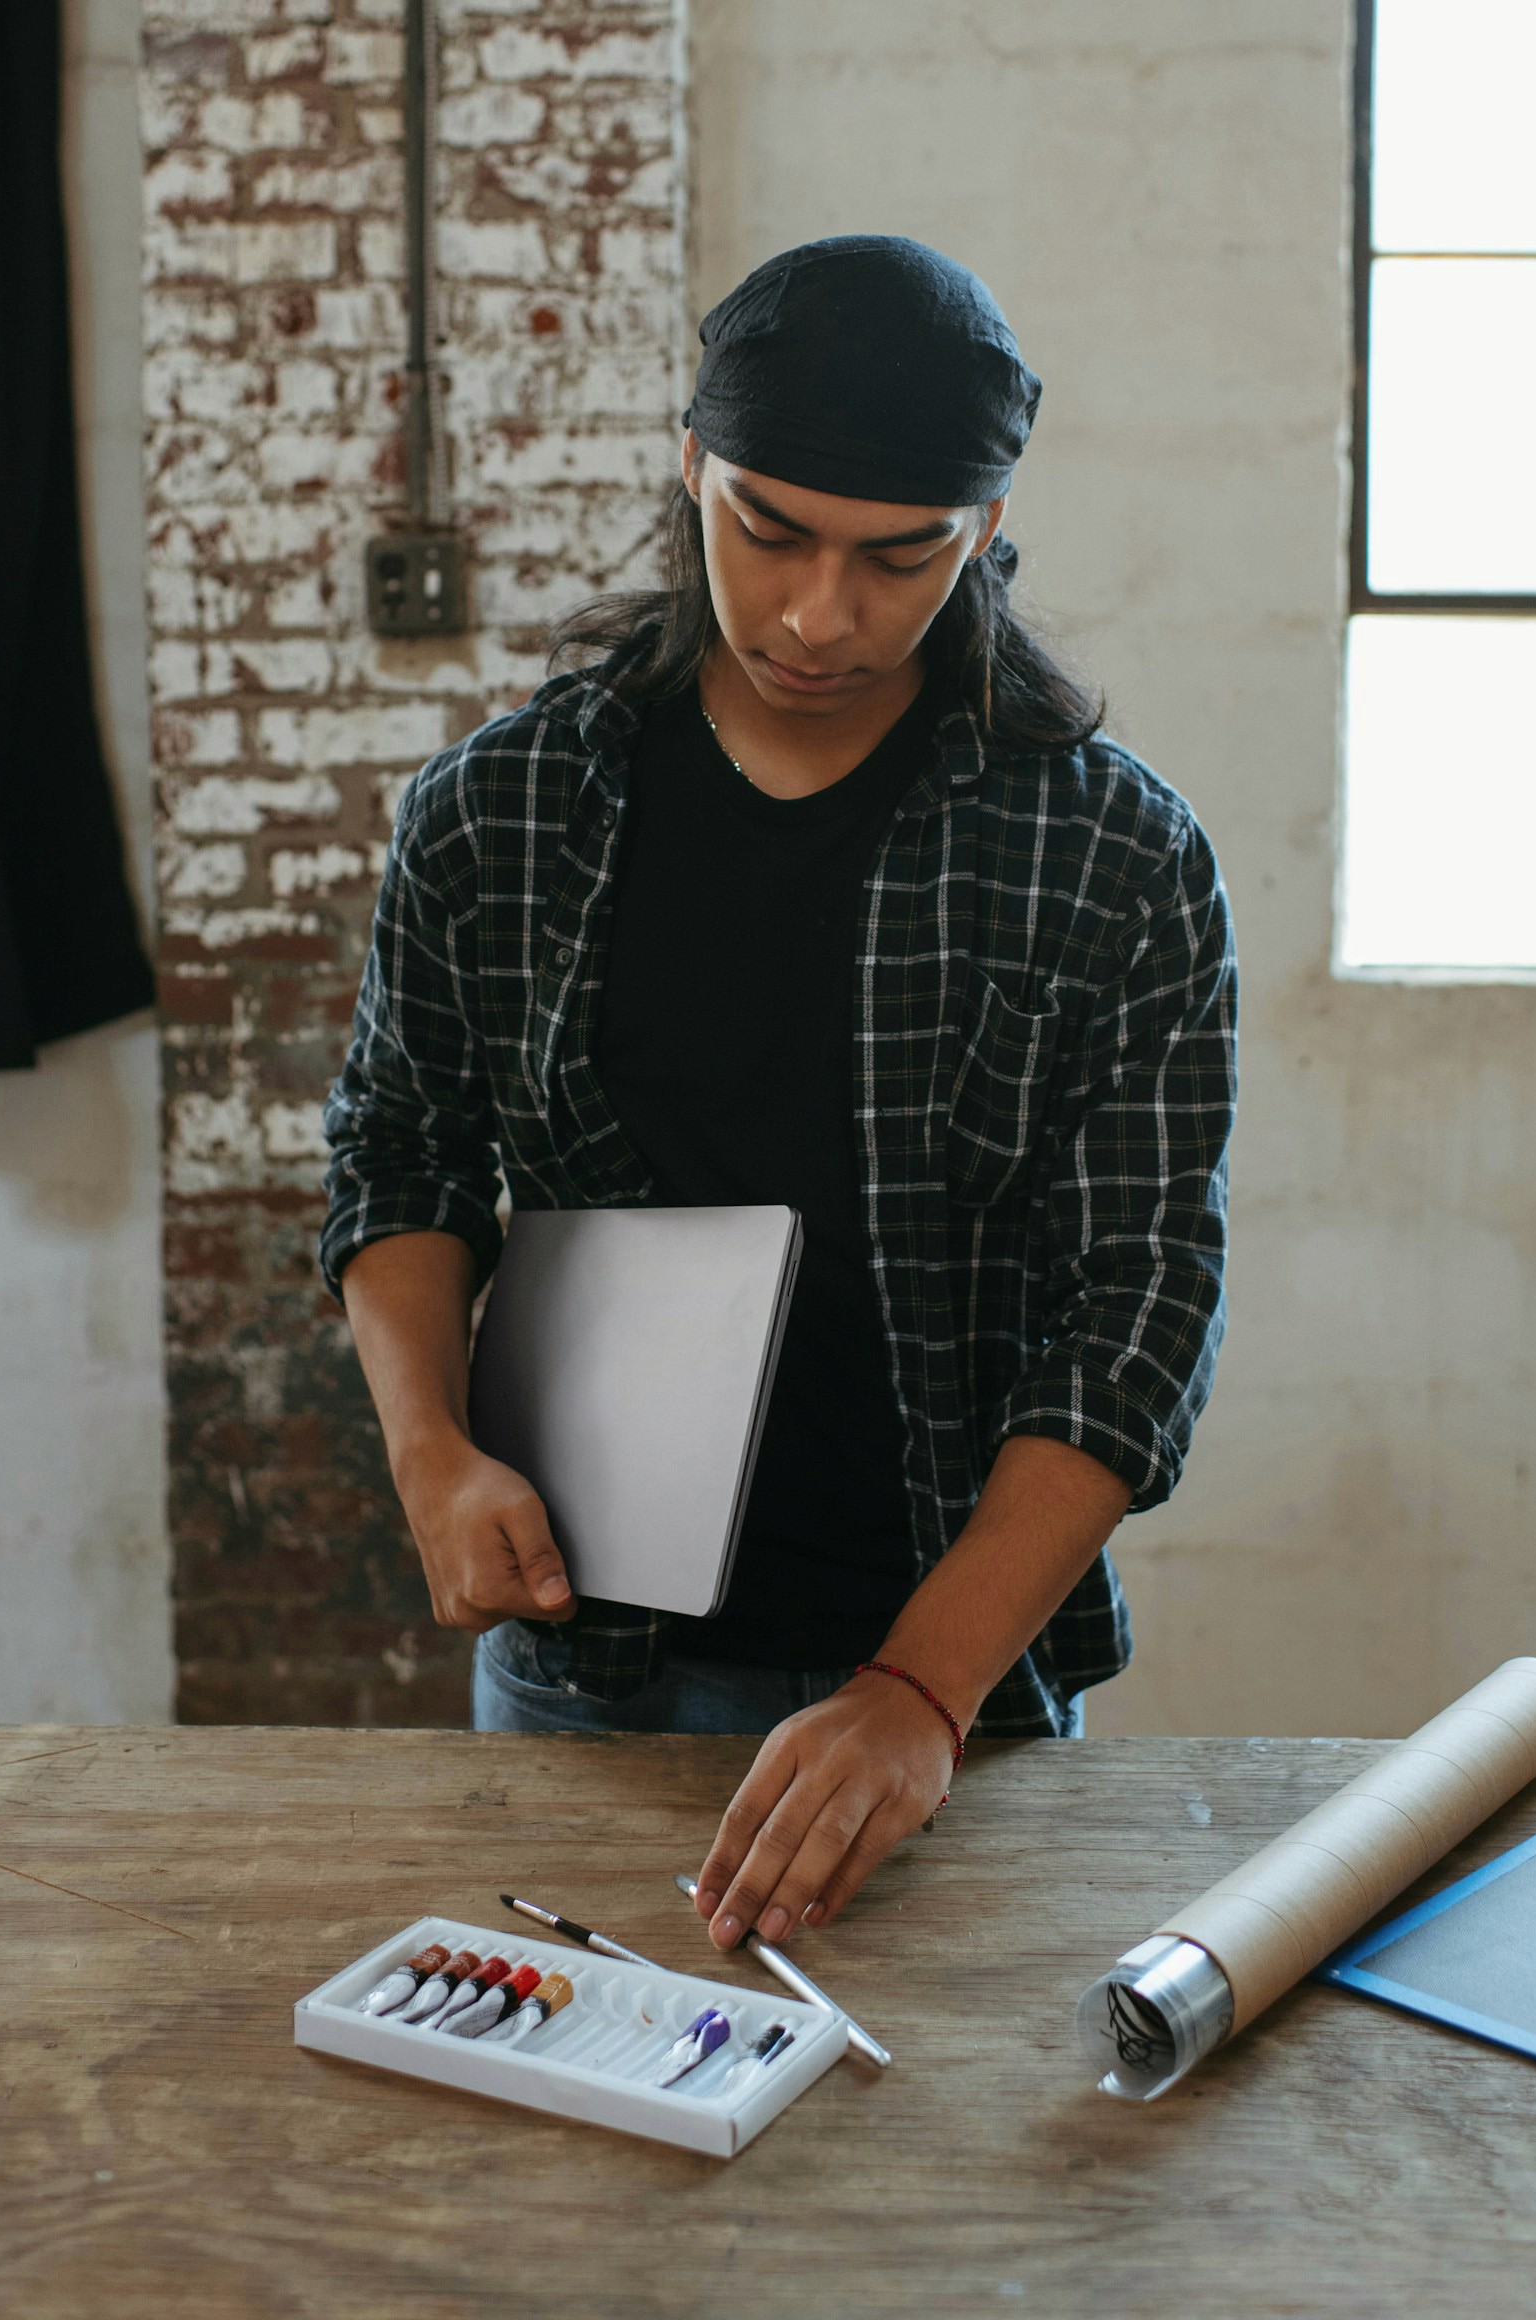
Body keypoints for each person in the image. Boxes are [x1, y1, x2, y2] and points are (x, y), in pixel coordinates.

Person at [322, 234, 1237, 1963]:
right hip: (586, 1666)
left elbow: (1134, 1313)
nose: (824, 614)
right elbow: (399, 1151)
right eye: (770, 531)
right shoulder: (495, 816)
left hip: (963, 1693)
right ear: (691, 466)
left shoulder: (1113, 857)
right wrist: (430, 1452)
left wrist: (920, 1689)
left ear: (985, 528)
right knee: (586, 2157)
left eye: (902, 559)